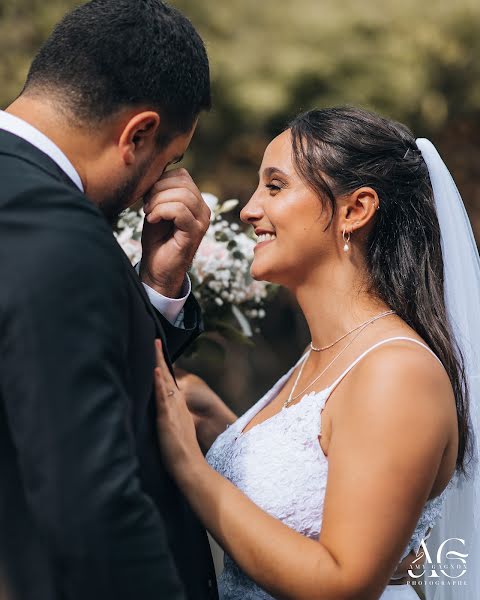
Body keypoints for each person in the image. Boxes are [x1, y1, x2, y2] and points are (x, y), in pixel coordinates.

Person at [153, 107, 479, 599]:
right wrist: (216, 424)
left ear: (354, 210)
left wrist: (189, 465)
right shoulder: (325, 354)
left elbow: (343, 583)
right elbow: (316, 476)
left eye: (276, 186)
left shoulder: (398, 372)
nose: (248, 209)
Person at [0, 1, 217, 599]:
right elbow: (88, 502)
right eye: (168, 161)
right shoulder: (61, 233)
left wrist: (157, 288)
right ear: (138, 133)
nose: (163, 183)